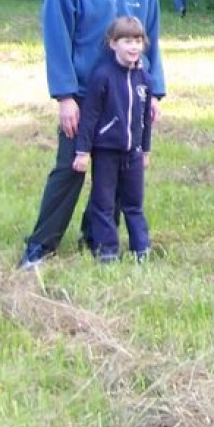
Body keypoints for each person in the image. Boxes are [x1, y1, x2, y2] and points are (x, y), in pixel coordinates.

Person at [19, 0, 165, 269]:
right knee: (71, 168)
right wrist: (65, 96)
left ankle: (96, 237)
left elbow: (153, 43)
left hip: (127, 96)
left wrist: (155, 93)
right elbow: (58, 43)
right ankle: (41, 244)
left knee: (117, 171)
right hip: (84, 97)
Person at [72, 16, 155, 262]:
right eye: (127, 40)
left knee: (134, 204)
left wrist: (146, 150)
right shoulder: (103, 77)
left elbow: (146, 119)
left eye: (138, 41)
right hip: (106, 151)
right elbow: (90, 117)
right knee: (104, 203)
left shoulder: (145, 80)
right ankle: (107, 251)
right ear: (112, 44)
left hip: (134, 153)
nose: (133, 47)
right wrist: (83, 151)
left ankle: (141, 250)